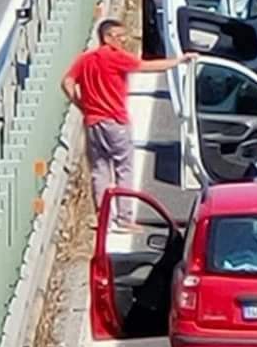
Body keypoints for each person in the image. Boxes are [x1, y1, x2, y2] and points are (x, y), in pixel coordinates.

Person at [61, 19, 190, 221]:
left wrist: (82, 105)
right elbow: (147, 66)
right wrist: (178, 61)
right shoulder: (114, 57)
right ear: (107, 37)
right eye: (120, 36)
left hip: (93, 123)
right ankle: (124, 217)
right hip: (115, 122)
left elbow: (67, 82)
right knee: (124, 168)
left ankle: (102, 217)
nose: (124, 40)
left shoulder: (85, 59)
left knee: (99, 171)